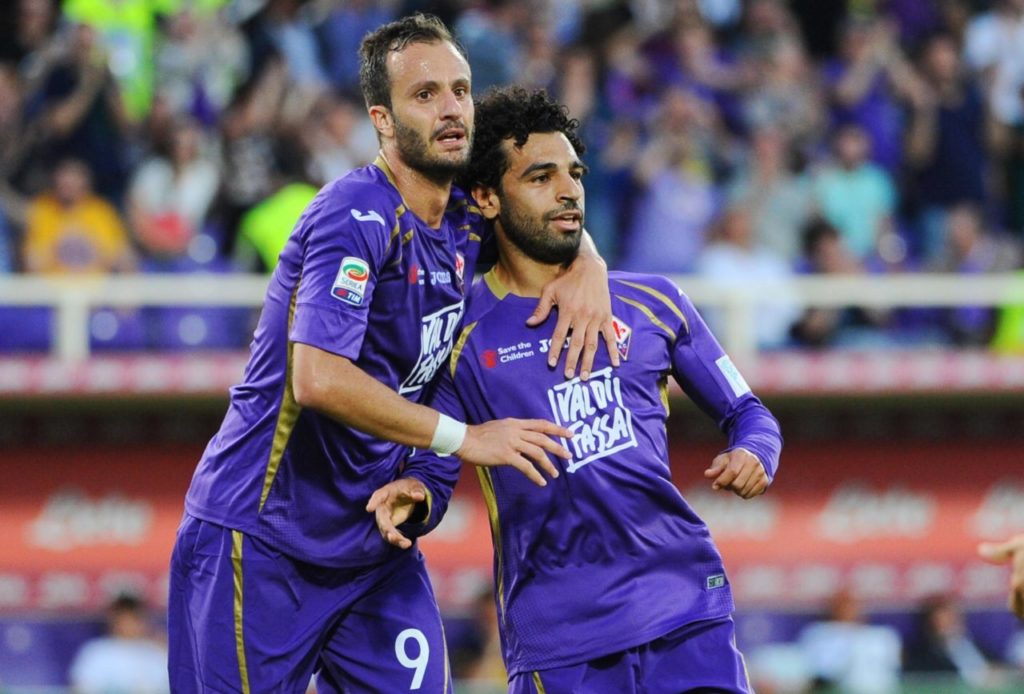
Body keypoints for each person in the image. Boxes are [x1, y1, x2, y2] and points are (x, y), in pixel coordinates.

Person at [167, 14, 616, 693]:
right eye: (426, 94)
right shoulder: (355, 214)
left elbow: (552, 207)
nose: (452, 109)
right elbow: (317, 378)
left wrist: (590, 263)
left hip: (374, 542)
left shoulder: (470, 215)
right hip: (259, 539)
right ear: (382, 118)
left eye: (460, 90)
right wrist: (467, 440)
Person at [371, 86, 782, 693]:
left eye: (575, 173)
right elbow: (440, 461)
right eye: (540, 177)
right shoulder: (459, 335)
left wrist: (755, 452)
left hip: (687, 611)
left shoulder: (654, 302)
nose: (568, 191)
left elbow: (749, 412)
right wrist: (416, 495)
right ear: (486, 197)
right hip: (561, 642)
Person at [68, 593, 170, 694]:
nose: (128, 625)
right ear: (113, 620)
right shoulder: (96, 652)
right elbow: (81, 689)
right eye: (124, 619)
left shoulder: (156, 652)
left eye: (134, 619)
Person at [979, 533, 1024, 619]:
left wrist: (985, 550)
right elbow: (995, 554)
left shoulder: (1020, 543)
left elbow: (992, 553)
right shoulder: (1019, 543)